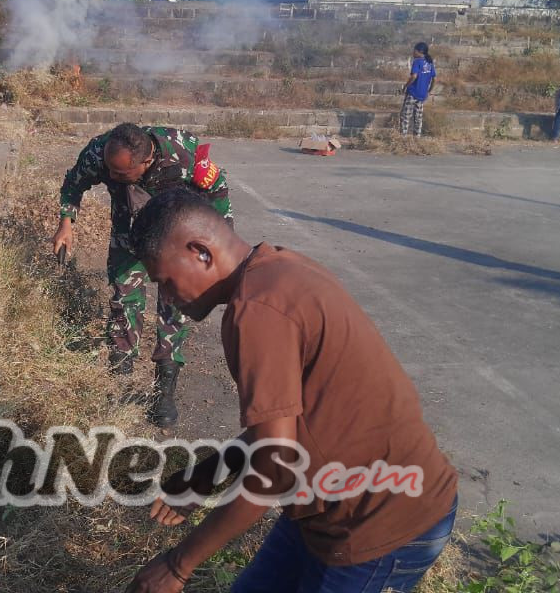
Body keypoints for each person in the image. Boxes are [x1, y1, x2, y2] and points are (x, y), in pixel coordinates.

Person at [123, 188, 458, 593]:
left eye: (166, 281)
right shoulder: (276, 267)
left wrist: (178, 564)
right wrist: (206, 474)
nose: (168, 298)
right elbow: (284, 427)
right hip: (322, 508)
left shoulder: (257, 313)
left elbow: (275, 468)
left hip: (377, 524)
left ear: (200, 252)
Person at [53, 124, 232, 427]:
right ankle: (120, 384)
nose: (111, 177)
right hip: (129, 234)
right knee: (124, 301)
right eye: (110, 170)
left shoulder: (183, 154)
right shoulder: (102, 151)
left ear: (146, 163)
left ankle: (164, 391)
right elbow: (74, 182)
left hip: (176, 237)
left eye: (121, 174)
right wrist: (66, 223)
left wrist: (219, 246)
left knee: (174, 308)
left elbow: (218, 191)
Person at [399, 42, 436, 137]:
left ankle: (402, 138)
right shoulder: (430, 63)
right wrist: (429, 91)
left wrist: (405, 86)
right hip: (422, 95)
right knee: (418, 118)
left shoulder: (417, 62)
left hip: (413, 93)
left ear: (419, 51)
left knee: (405, 116)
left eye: (414, 50)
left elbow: (414, 76)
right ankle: (417, 139)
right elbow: (434, 79)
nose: (413, 52)